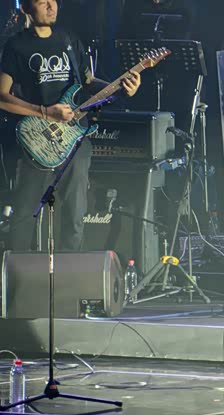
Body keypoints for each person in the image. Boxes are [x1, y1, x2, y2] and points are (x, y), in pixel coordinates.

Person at [0, 0, 141, 251]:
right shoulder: (16, 46)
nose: (50, 6)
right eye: (42, 1)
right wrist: (45, 112)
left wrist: (122, 89)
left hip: (74, 138)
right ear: (25, 8)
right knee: (24, 214)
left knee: (75, 212)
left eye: (53, 0)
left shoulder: (69, 40)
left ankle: (70, 268)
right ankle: (18, 271)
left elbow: (88, 82)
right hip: (35, 140)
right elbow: (2, 96)